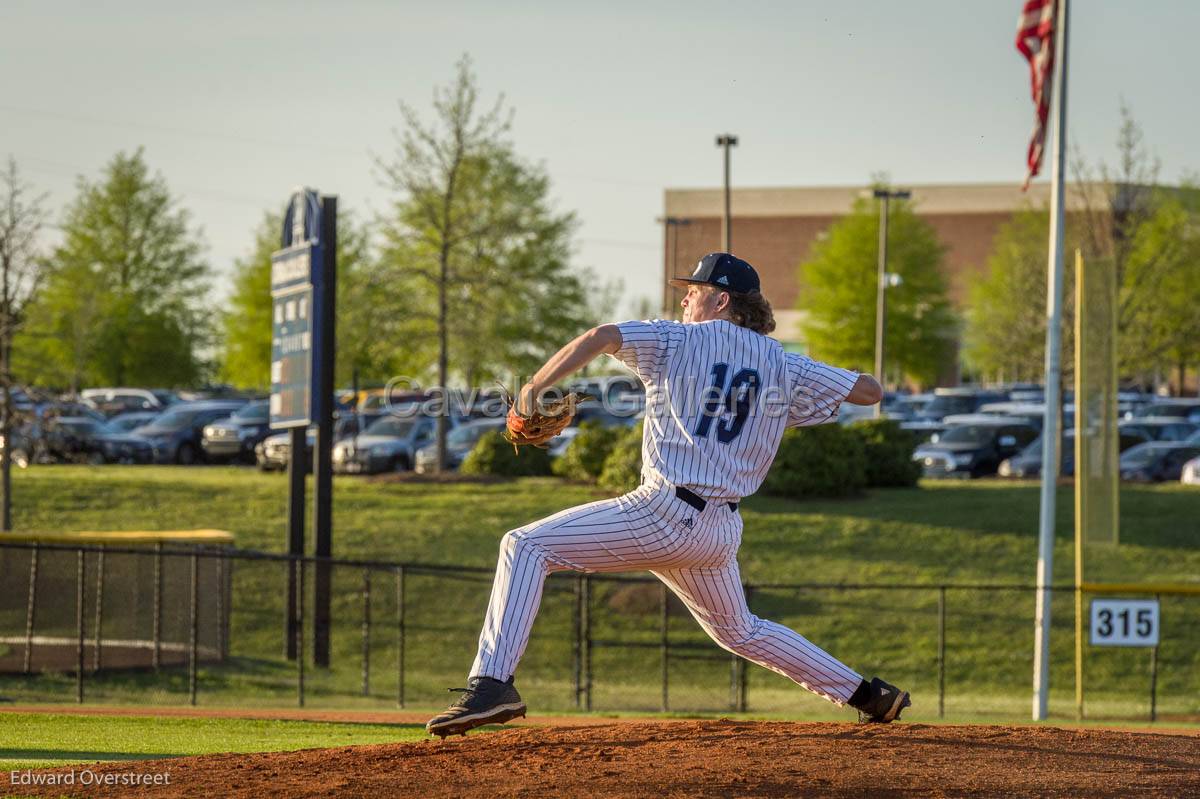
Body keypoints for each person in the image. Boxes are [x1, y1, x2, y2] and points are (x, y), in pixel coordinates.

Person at [426, 252, 910, 738]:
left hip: (663, 513)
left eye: (694, 290)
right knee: (740, 631)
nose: (684, 297)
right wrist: (802, 380)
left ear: (722, 300)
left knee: (525, 545)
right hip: (719, 533)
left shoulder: (677, 339)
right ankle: (870, 695)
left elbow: (601, 336)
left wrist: (533, 388)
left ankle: (491, 684)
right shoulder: (784, 363)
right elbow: (869, 391)